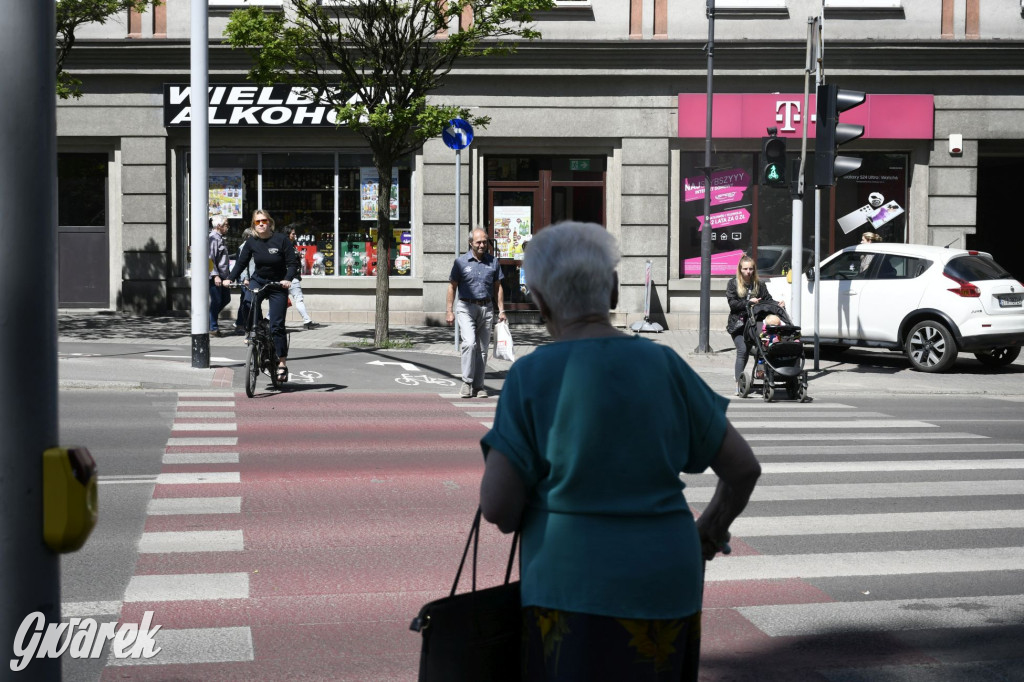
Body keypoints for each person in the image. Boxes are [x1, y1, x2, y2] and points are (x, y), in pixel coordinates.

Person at [479, 221, 761, 681]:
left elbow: (499, 508)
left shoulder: (531, 375)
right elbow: (743, 468)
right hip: (666, 579)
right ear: (612, 289)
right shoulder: (663, 363)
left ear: (540, 300)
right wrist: (709, 531)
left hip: (568, 585)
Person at [224, 210, 298, 383]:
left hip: (278, 284)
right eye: (258, 222)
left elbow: (292, 263)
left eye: (264, 221)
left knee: (277, 325)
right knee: (247, 304)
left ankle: (282, 363)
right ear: (253, 225)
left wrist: (287, 279)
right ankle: (256, 331)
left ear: (270, 222)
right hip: (259, 281)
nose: (261, 224)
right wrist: (230, 278)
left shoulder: (281, 240)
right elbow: (241, 263)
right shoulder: (252, 242)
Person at [446, 228, 507, 398]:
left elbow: (498, 287)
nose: (482, 245)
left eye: (485, 242)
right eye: (478, 242)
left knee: (482, 349)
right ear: (470, 243)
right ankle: (467, 382)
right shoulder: (460, 262)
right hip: (466, 307)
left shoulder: (493, 262)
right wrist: (449, 311)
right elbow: (452, 287)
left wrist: (502, 310)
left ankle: (478, 386)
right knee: (469, 343)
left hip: (486, 308)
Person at [726, 255, 778, 395]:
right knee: (743, 350)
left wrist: (778, 303)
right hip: (739, 325)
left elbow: (768, 300)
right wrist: (748, 303)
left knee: (763, 347)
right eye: (745, 269)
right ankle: (738, 383)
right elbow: (733, 304)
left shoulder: (759, 284)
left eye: (751, 269)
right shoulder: (733, 283)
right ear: (740, 269)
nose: (748, 272)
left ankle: (761, 372)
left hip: (756, 323)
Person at [288, 228, 322, 330]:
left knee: (282, 301)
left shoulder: (289, 245)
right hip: (291, 277)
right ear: (287, 234)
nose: (294, 235)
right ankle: (307, 321)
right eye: (293, 234)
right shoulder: (287, 246)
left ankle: (267, 320)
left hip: (289, 277)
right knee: (298, 299)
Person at [208, 215, 232, 337]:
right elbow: (210, 259)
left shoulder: (220, 238)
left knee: (225, 299)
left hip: (223, 275)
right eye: (226, 225)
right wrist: (215, 275)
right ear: (219, 226)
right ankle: (213, 326)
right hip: (216, 276)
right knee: (217, 300)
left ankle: (209, 319)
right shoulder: (213, 238)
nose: (228, 227)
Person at [233, 228, 256, 334]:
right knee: (245, 302)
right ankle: (240, 324)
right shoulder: (243, 247)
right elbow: (243, 264)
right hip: (246, 279)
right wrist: (246, 278)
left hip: (252, 277)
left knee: (250, 301)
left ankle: (247, 324)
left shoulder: (253, 245)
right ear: (248, 236)